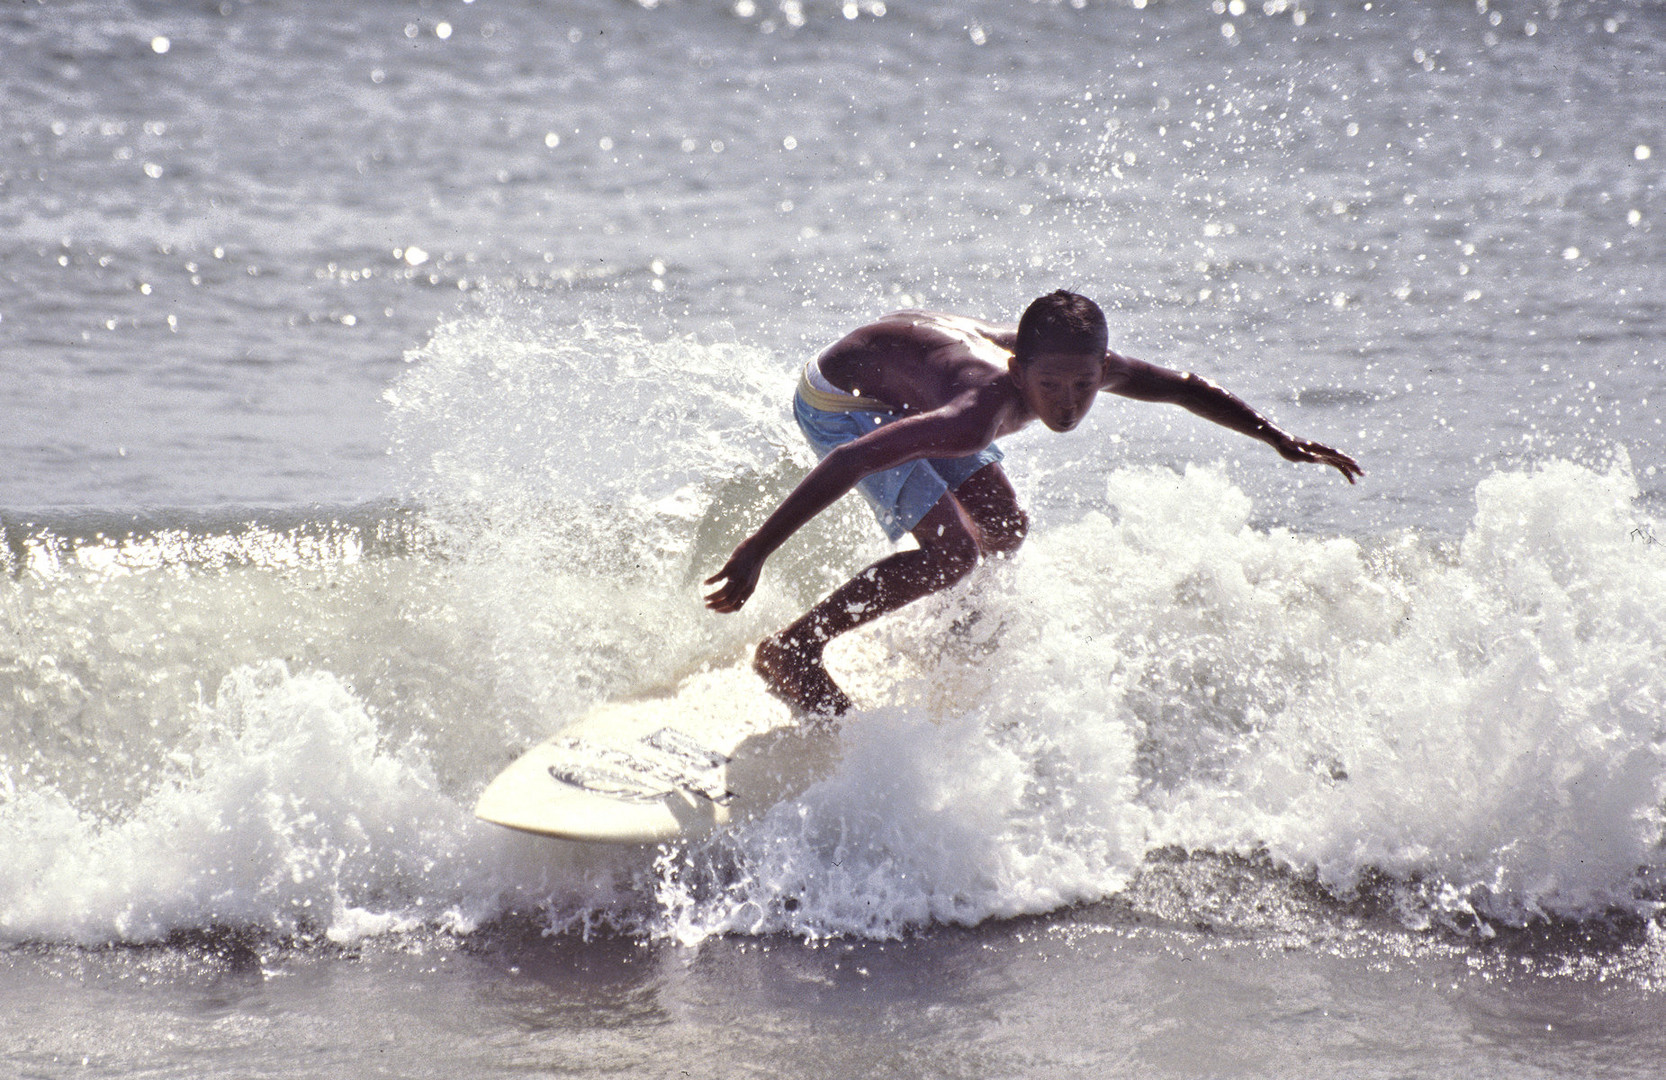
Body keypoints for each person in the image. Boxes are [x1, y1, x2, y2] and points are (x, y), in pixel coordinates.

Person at [703, 291, 1362, 717]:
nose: (1068, 403)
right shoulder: (975, 413)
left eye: (1084, 384)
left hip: (909, 365)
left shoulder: (1087, 370)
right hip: (844, 401)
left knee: (1005, 527)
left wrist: (1278, 438)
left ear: (1104, 369)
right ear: (1019, 370)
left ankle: (948, 634)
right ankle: (794, 650)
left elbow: (1183, 387)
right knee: (953, 554)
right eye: (1049, 385)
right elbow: (852, 460)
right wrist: (756, 551)